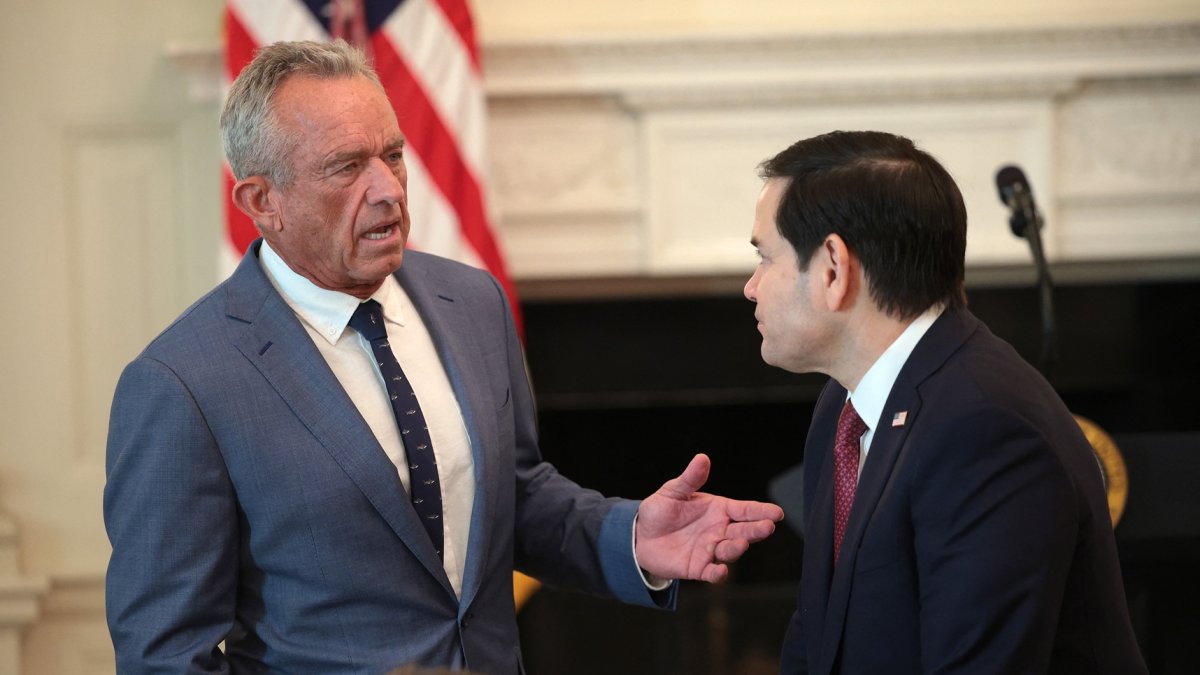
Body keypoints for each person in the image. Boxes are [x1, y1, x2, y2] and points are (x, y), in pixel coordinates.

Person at [103, 39, 783, 674]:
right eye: (347, 167)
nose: (389, 190)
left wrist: (631, 538)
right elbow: (166, 654)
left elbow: (514, 496)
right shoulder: (182, 385)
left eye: (392, 155)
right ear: (262, 201)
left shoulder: (470, 302)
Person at [744, 131, 1146, 674]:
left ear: (834, 269)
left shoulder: (987, 429)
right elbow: (817, 639)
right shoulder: (844, 404)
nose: (751, 286)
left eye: (765, 257)